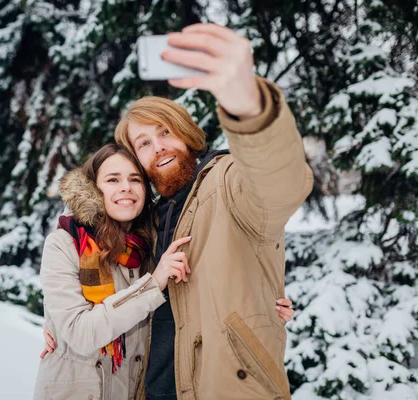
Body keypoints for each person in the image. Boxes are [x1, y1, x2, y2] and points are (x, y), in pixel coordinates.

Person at [41, 22, 309, 399]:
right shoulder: (145, 228)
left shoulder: (228, 179)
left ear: (187, 133)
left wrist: (250, 106)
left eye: (166, 131)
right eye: (145, 143)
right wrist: (58, 320)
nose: (160, 147)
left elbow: (278, 182)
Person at [33, 144, 193, 399]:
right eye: (113, 179)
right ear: (93, 190)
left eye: (135, 179)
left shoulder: (151, 245)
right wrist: (153, 284)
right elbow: (81, 333)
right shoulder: (65, 244)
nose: (126, 187)